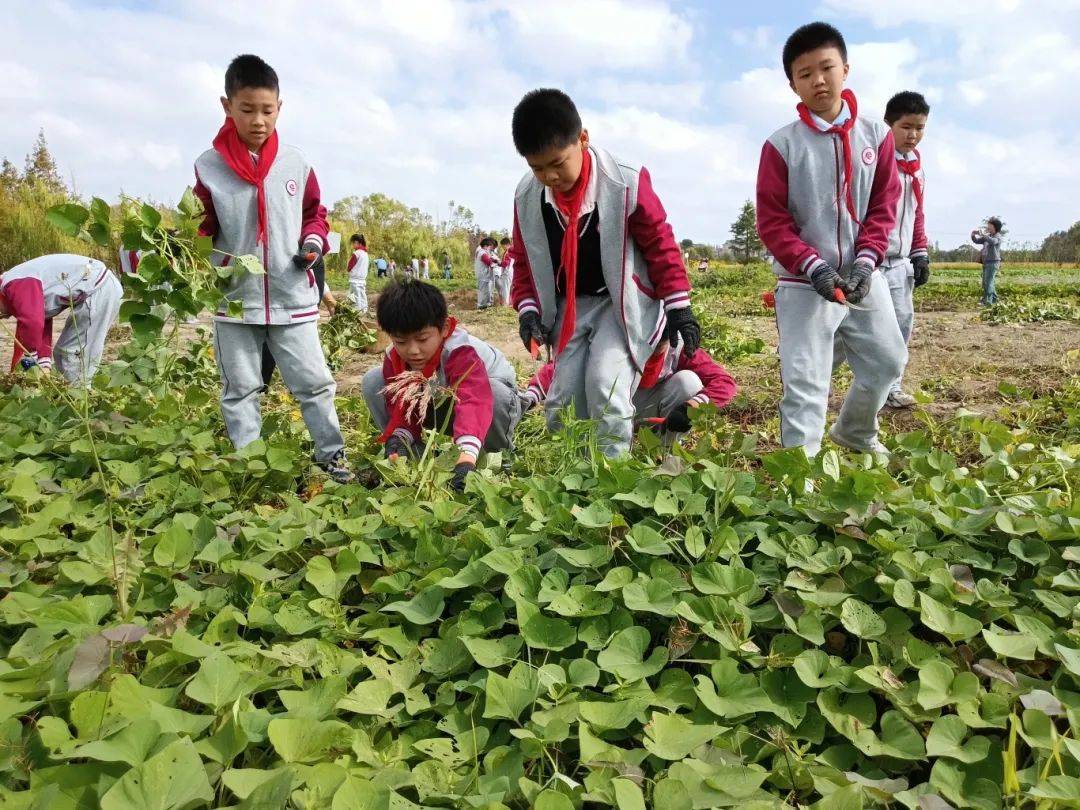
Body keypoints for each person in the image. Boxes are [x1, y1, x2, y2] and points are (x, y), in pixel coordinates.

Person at [507, 88, 698, 457]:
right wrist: (528, 311)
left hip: (619, 304)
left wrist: (679, 306)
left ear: (583, 139)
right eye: (537, 167)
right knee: (563, 399)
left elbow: (660, 244)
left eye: (558, 163)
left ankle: (612, 479)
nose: (549, 176)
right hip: (568, 307)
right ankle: (574, 475)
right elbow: (523, 259)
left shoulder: (625, 182)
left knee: (605, 383)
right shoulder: (527, 197)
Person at [192, 54, 352, 483]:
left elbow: (315, 215)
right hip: (236, 302)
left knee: (315, 383)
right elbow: (201, 224)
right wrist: (188, 237)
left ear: (280, 107)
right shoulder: (209, 167)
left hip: (292, 297)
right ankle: (251, 465)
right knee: (241, 390)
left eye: (267, 110)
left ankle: (332, 457)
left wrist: (313, 245)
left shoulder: (296, 164)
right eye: (247, 110)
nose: (258, 120)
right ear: (227, 106)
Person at [756, 22, 904, 457]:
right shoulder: (781, 145)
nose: (818, 80)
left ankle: (856, 432)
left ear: (845, 69)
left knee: (887, 361)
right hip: (805, 284)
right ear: (792, 84)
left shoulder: (877, 137)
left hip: (862, 276)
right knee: (805, 381)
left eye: (827, 68)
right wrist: (813, 266)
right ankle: (800, 478)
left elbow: (883, 208)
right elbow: (772, 222)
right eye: (805, 74)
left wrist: (866, 262)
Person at [361, 279, 521, 491]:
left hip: (490, 407)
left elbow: (475, 401)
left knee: (496, 393)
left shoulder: (460, 350)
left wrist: (465, 456)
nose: (413, 351)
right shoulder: (394, 356)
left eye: (422, 339)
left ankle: (495, 459)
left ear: (444, 328)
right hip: (441, 403)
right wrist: (398, 435)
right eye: (401, 341)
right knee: (373, 381)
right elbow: (401, 402)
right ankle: (408, 458)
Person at [522, 336, 737, 441]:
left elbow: (724, 382)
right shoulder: (616, 338)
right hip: (608, 411)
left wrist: (692, 406)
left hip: (648, 413)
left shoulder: (677, 347)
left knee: (688, 382)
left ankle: (663, 453)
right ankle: (607, 445)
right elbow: (564, 367)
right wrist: (532, 395)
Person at [880, 90, 931, 408]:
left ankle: (891, 389)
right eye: (906, 126)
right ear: (889, 125)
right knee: (848, 330)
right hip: (869, 261)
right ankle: (815, 382)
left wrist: (920, 252)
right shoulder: (871, 163)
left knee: (901, 326)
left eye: (920, 127)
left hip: (900, 263)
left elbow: (918, 214)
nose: (913, 135)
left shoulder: (917, 171)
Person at [0, 254, 122, 385]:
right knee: (62, 353)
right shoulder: (15, 281)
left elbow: (32, 322)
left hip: (99, 290)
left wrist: (31, 359)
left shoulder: (14, 284)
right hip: (97, 288)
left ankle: (81, 398)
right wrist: (43, 361)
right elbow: (40, 321)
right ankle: (74, 394)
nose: (4, 316)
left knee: (74, 355)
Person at [972, 217, 1003, 306]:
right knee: (987, 282)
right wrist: (973, 235)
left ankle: (988, 302)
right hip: (986, 262)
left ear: (995, 227)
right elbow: (976, 241)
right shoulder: (988, 236)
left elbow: (993, 242)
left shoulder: (997, 236)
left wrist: (984, 235)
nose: (988, 227)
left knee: (988, 282)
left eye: (990, 225)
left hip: (993, 262)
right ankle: (994, 300)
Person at [347, 233, 369, 312]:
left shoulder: (357, 253)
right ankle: (364, 310)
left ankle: (357, 311)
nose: (352, 245)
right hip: (362, 279)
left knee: (354, 297)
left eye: (353, 243)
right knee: (362, 295)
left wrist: (348, 269)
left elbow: (350, 266)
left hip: (355, 279)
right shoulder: (365, 253)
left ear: (358, 243)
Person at [474, 238, 497, 309]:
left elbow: (489, 259)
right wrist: (497, 263)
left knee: (484, 291)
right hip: (483, 276)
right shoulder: (483, 253)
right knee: (483, 291)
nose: (490, 248)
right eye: (490, 246)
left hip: (482, 275)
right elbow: (489, 262)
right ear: (486, 246)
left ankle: (483, 305)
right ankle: (481, 306)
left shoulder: (482, 252)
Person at [495, 237, 514, 306]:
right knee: (508, 290)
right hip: (509, 272)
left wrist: (498, 262)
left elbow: (506, 263)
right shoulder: (509, 251)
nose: (502, 248)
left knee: (505, 290)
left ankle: (505, 306)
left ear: (506, 244)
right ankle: (509, 304)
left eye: (502, 246)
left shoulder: (509, 251)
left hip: (507, 273)